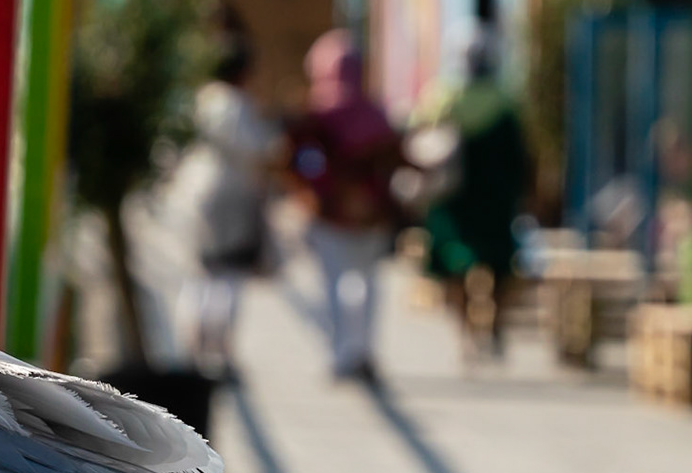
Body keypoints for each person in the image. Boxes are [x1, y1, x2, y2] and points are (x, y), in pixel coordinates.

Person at [287, 31, 402, 384]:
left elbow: (302, 164)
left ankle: (340, 353)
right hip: (370, 214)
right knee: (367, 285)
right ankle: (362, 350)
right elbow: (392, 161)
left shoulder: (315, 114)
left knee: (334, 286)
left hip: (330, 214)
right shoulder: (377, 114)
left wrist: (323, 194)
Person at [168, 27, 279, 376]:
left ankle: (191, 350)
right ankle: (219, 354)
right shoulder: (236, 103)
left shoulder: (197, 98)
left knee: (200, 272)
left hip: (193, 188)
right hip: (230, 193)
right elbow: (258, 147)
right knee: (228, 273)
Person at [419, 39, 529, 363]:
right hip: (496, 200)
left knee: (453, 266)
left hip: (451, 202)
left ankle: (465, 332)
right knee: (498, 264)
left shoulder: (440, 101)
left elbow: (419, 146)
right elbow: (519, 158)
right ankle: (494, 328)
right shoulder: (504, 104)